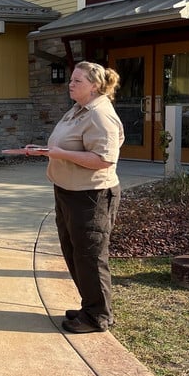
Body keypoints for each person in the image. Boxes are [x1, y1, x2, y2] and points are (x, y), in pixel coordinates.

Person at [27, 61, 124, 334]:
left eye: (77, 81)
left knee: (90, 256)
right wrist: (45, 150)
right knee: (74, 252)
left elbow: (104, 159)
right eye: (71, 80)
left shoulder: (99, 114)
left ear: (94, 86)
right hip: (68, 192)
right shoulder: (78, 110)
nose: (71, 84)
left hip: (91, 196)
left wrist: (60, 155)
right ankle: (90, 307)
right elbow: (67, 144)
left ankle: (98, 316)